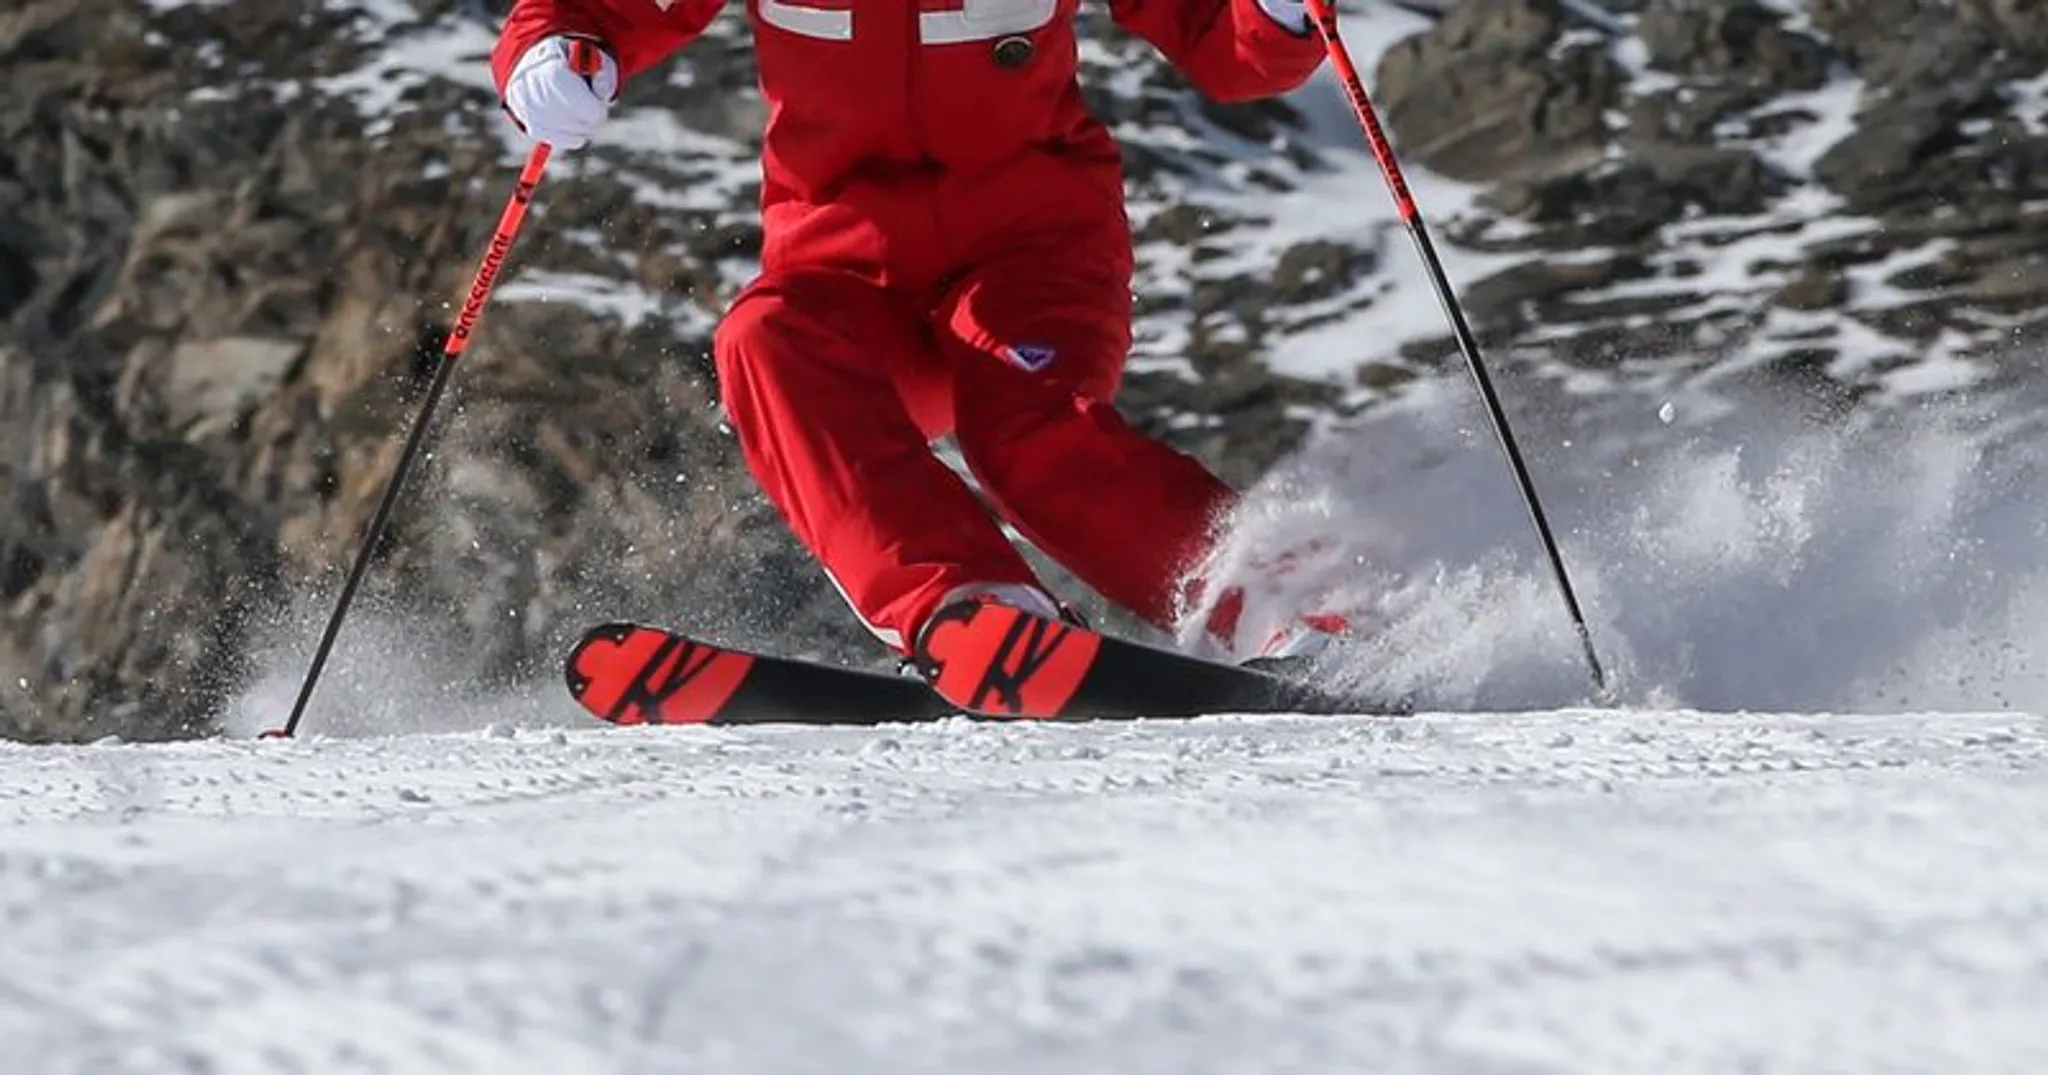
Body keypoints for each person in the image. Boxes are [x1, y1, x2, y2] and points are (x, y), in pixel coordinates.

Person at [490, 0, 1345, 668]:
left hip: (1032, 258)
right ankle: (973, 608)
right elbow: (592, 13)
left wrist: (1274, 16)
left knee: (1026, 434)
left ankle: (1292, 605)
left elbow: (1224, 41)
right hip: (848, 276)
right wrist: (553, 51)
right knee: (762, 340)